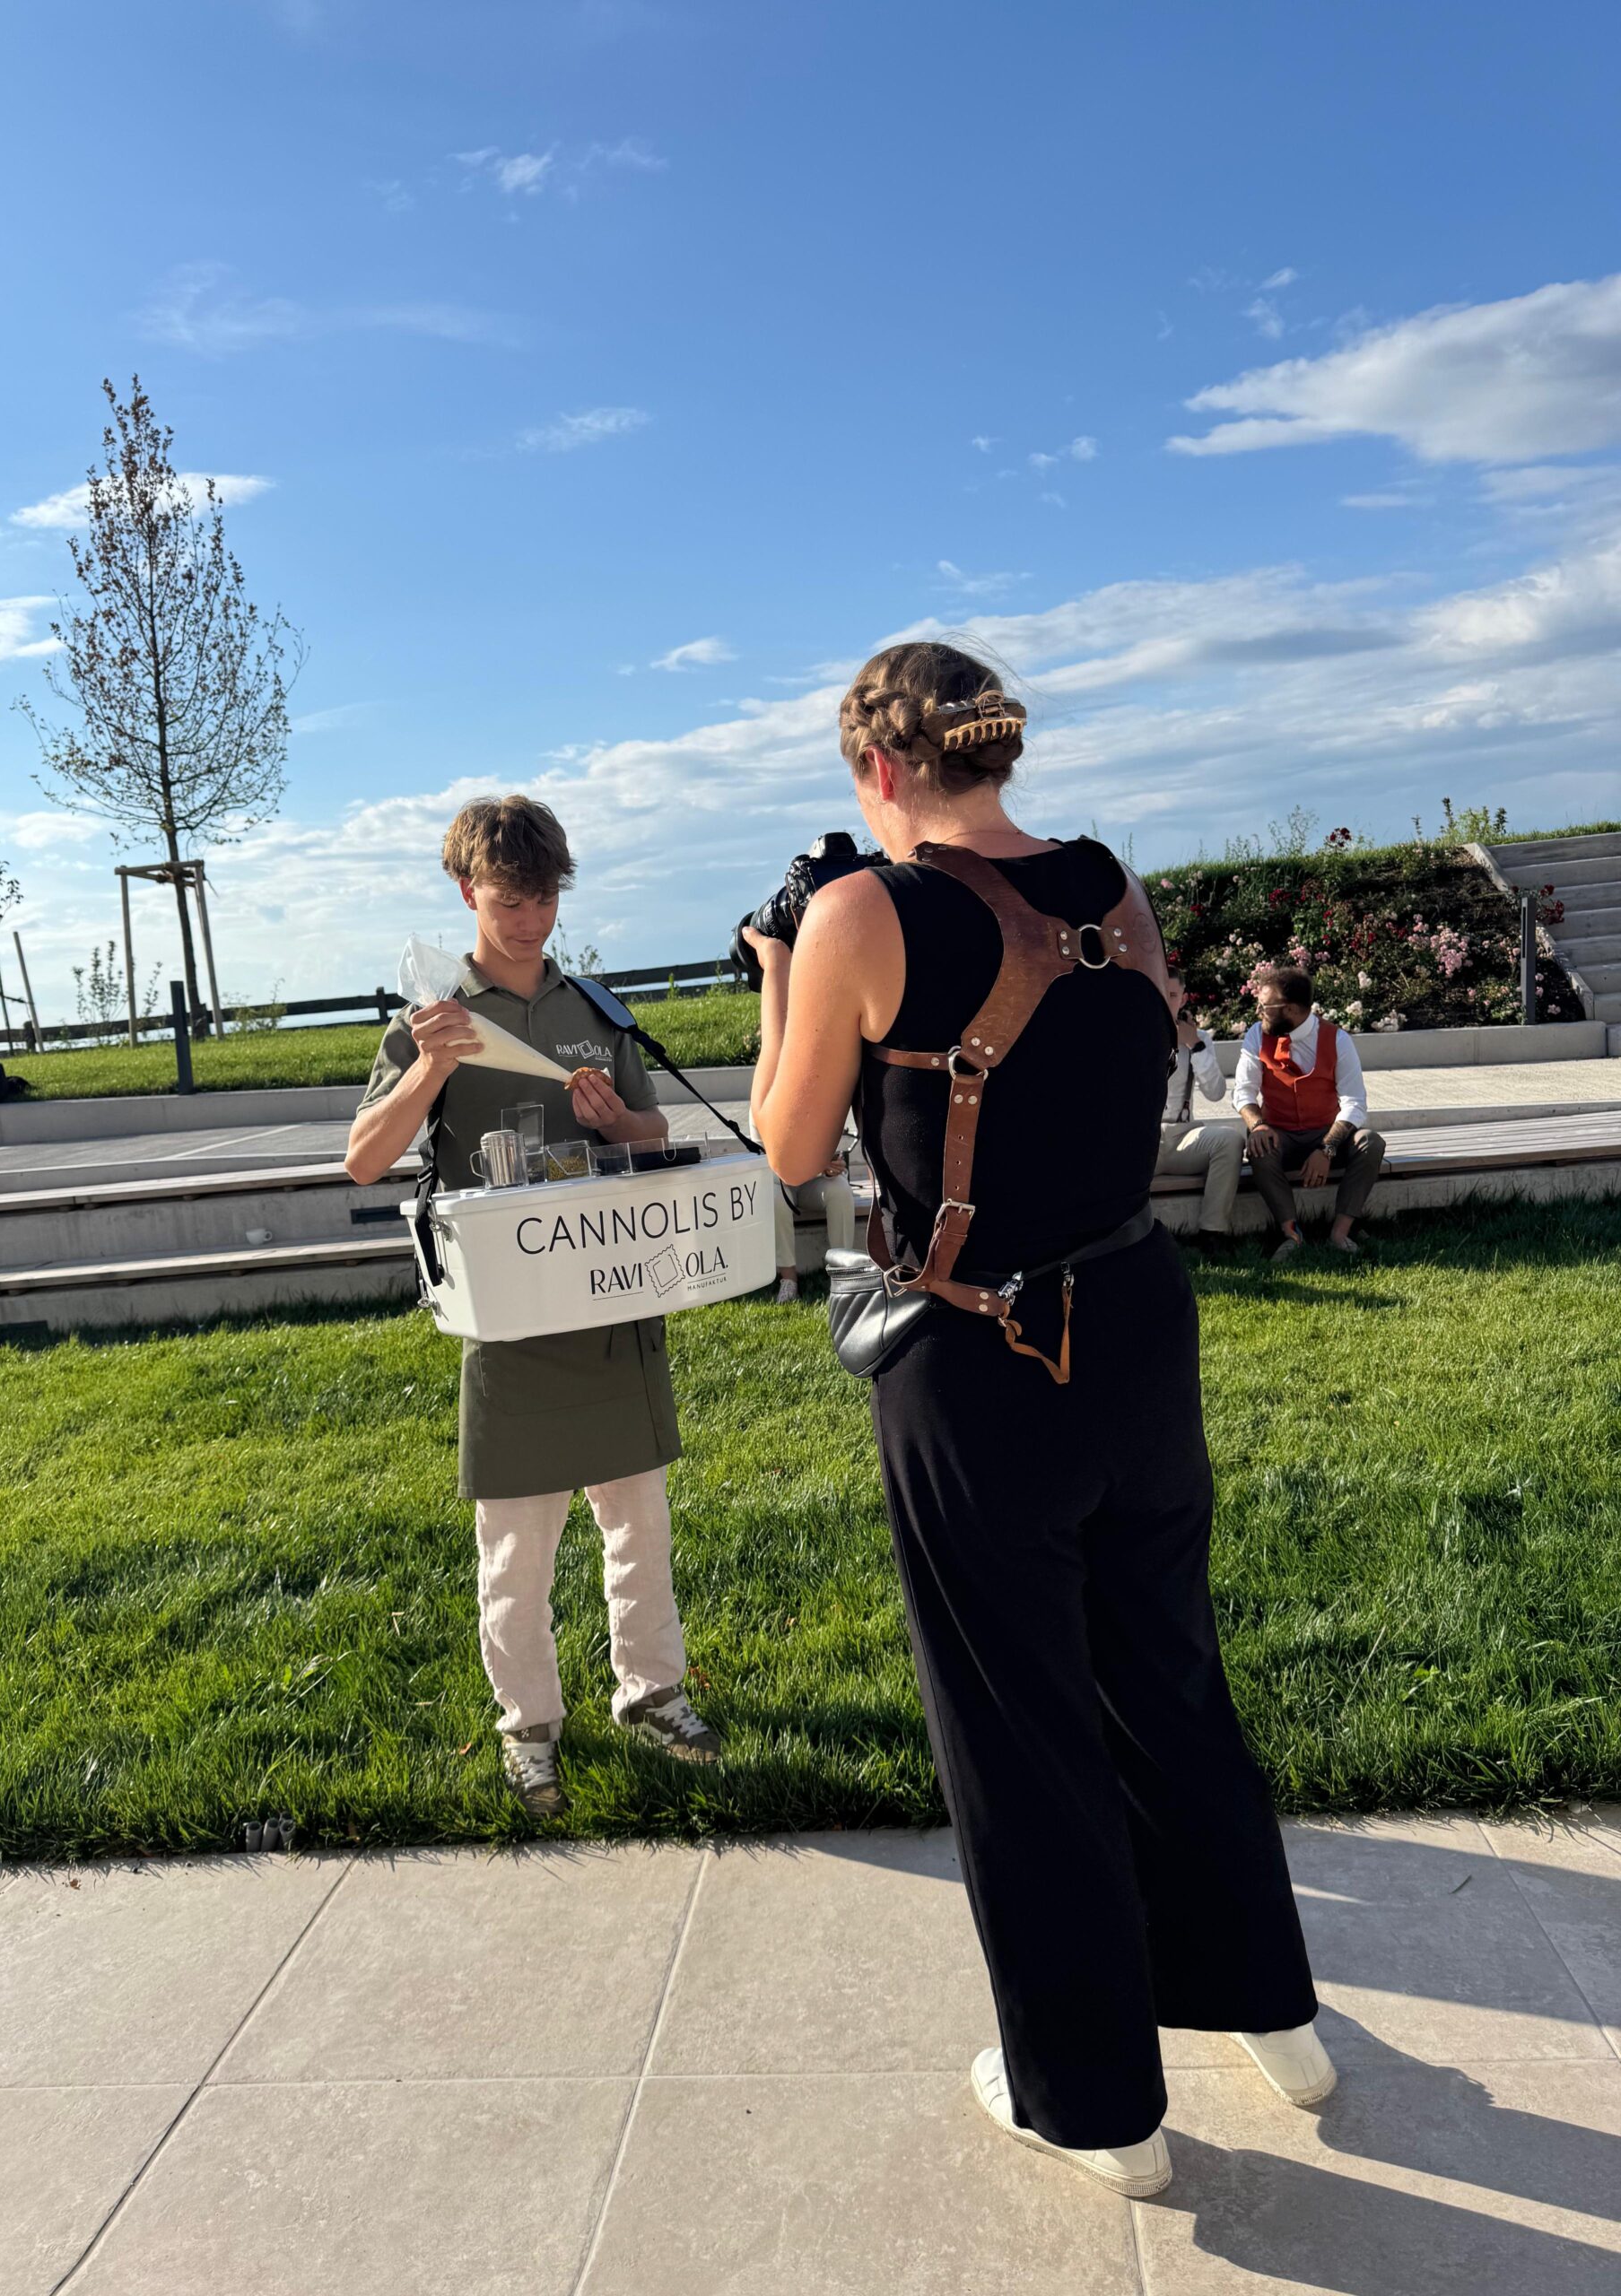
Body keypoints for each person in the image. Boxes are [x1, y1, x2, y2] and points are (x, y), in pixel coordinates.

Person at [746, 641, 1328, 2200]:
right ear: (992, 748)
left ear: (878, 767)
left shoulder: (862, 911)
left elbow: (790, 1147)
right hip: (1136, 1319)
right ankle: (1271, 2011)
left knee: (1019, 1728)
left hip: (981, 1353)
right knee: (1169, 1675)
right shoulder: (1107, 880)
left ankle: (1096, 2105)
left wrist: (780, 966)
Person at [344, 795, 721, 1818]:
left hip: (612, 1304)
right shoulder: (432, 1021)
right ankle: (530, 1728)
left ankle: (653, 1694)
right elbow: (364, 1160)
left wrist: (620, 1121)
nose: (532, 920)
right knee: (515, 1547)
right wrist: (430, 1067)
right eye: (511, 900)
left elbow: (655, 1135)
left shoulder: (595, 1011)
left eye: (547, 898)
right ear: (465, 891)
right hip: (510, 1320)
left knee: (640, 1524)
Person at [1232, 966, 1387, 1264]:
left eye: (1264, 1006)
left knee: (1371, 1142)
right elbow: (1243, 1092)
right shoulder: (1256, 1035)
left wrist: (1327, 1149)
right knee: (1259, 1147)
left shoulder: (1337, 1039)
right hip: (1279, 1134)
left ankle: (1340, 1233)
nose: (1258, 1012)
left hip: (1326, 1133)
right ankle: (1291, 1234)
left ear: (1290, 1009)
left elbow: (1355, 1103)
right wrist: (1258, 1126)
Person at [1158, 966, 1242, 1248]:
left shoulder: (1200, 1039)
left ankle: (1212, 1233)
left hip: (1183, 1136)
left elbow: (1216, 1093)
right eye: (1160, 993)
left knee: (1230, 1140)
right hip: (1145, 1140)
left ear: (1183, 999)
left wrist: (1194, 1045)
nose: (1166, 1001)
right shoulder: (1135, 1035)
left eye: (1172, 995)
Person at [769, 1152, 858, 1302]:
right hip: (778, 1181)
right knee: (776, 1199)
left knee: (841, 1189)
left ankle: (843, 1275)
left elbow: (828, 1151)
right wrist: (818, 1164)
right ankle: (789, 1279)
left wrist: (833, 1166)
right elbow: (774, 1157)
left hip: (812, 1181)